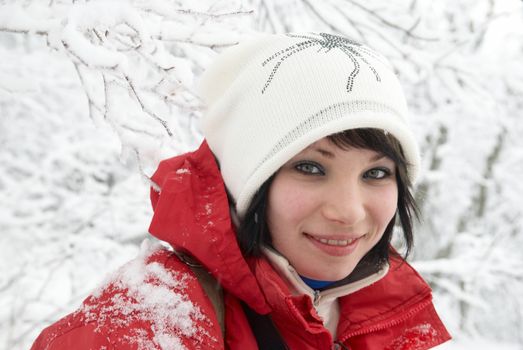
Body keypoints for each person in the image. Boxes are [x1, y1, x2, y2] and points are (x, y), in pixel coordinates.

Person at [31, 32, 451, 350]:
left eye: (376, 174)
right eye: (310, 167)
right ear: (248, 179)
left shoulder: (383, 316)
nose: (349, 212)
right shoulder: (143, 327)